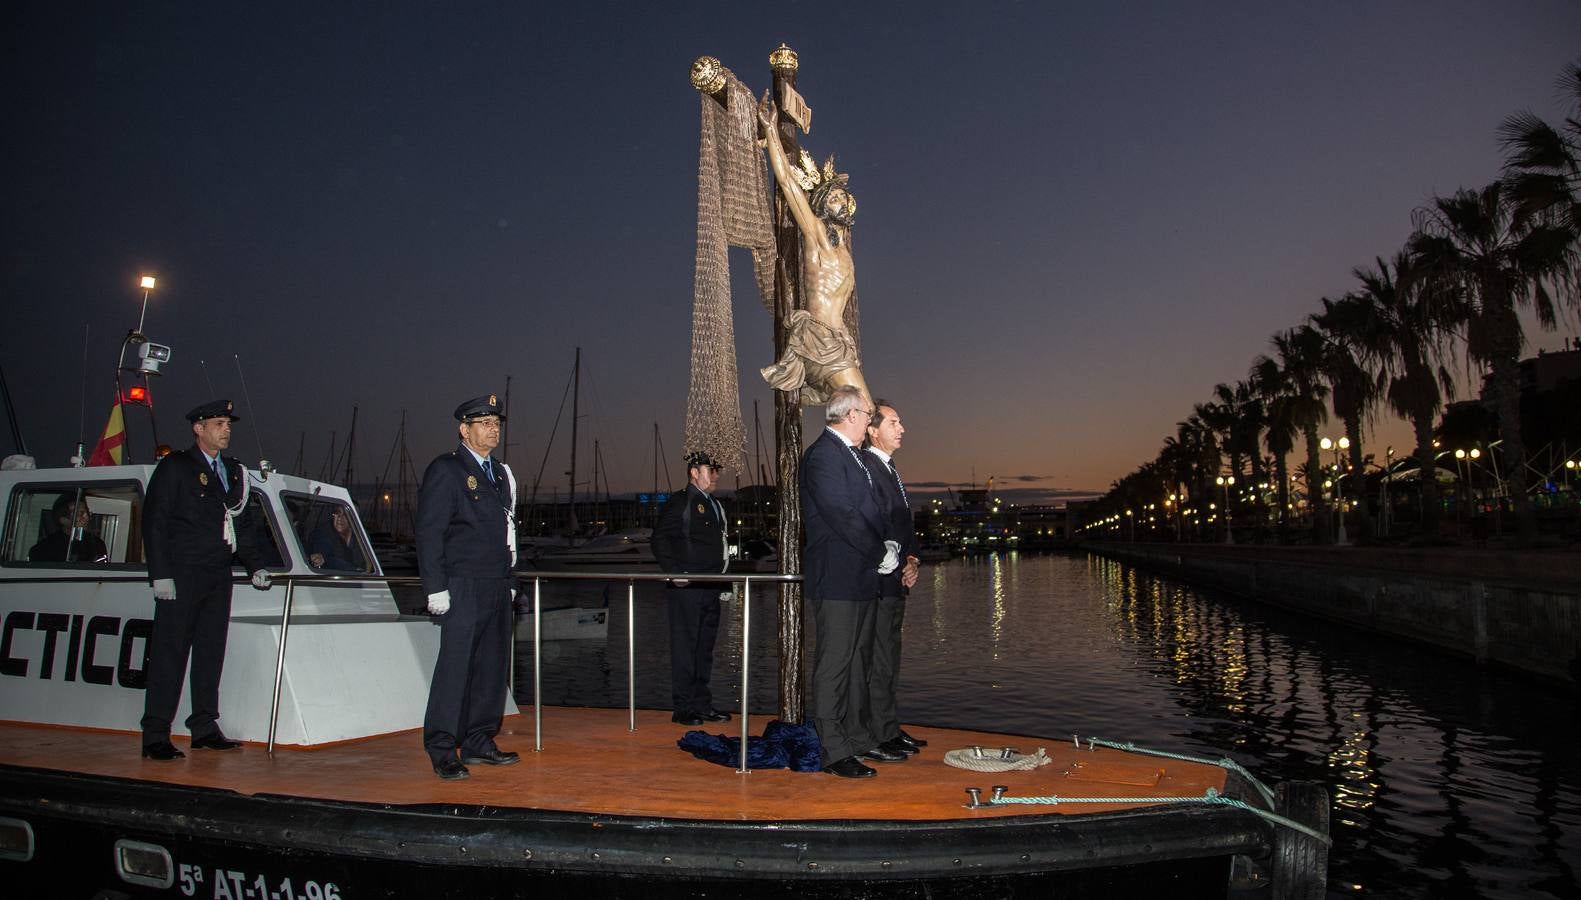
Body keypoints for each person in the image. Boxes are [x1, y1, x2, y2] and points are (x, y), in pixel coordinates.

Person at [140, 399, 272, 760]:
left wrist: (255, 565)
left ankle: (204, 727)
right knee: (170, 653)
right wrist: (160, 575)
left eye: (228, 423)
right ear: (198, 428)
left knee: (211, 652)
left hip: (218, 573)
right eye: (218, 423)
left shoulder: (232, 471)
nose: (226, 429)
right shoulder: (176, 467)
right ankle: (155, 733)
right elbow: (155, 522)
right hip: (182, 574)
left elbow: (241, 523)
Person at [416, 393, 520, 780]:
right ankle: (442, 747)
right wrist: (435, 588)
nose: (493, 428)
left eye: (497, 423)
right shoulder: (447, 469)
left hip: (495, 583)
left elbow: (508, 533)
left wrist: (511, 578)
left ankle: (479, 741)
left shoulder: (501, 474)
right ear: (464, 429)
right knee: (456, 668)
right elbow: (429, 532)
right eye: (484, 423)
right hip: (461, 584)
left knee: (491, 669)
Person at [801, 385, 902, 778]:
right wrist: (881, 552)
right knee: (834, 666)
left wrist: (887, 544)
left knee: (856, 664)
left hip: (860, 579)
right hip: (838, 580)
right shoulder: (824, 456)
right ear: (851, 415)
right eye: (867, 413)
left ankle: (856, 739)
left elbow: (870, 512)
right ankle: (833, 750)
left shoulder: (850, 457)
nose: (869, 420)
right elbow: (843, 516)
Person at [756, 98, 873, 406]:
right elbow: (789, 186)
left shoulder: (844, 249)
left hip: (839, 340)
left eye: (843, 198)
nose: (841, 203)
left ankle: (838, 455)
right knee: (863, 411)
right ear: (821, 205)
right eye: (834, 198)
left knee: (856, 417)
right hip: (818, 339)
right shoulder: (817, 234)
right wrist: (770, 131)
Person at [861, 400, 926, 759]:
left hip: (896, 583)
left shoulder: (890, 469)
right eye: (894, 422)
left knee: (890, 659)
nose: (902, 429)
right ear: (873, 429)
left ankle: (888, 728)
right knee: (877, 661)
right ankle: (875, 734)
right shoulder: (869, 468)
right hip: (878, 584)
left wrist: (913, 559)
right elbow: (872, 526)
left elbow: (904, 527)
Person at [652, 450, 732, 726]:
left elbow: (721, 548)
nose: (716, 475)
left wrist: (726, 584)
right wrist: (674, 572)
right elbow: (660, 540)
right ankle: (683, 708)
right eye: (710, 470)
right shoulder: (681, 501)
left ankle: (702, 704)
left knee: (704, 648)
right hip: (686, 588)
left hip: (711, 586)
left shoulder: (714, 505)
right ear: (694, 473)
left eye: (716, 470)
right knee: (685, 647)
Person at [28, 493, 109, 562]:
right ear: (62, 519)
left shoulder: (96, 544)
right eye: (78, 513)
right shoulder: (44, 548)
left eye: (85, 511)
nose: (84, 516)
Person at [308, 506, 367, 572]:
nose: (339, 518)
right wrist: (355, 570)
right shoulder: (322, 534)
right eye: (337, 513)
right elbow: (324, 558)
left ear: (355, 519)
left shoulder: (362, 536)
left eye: (346, 514)